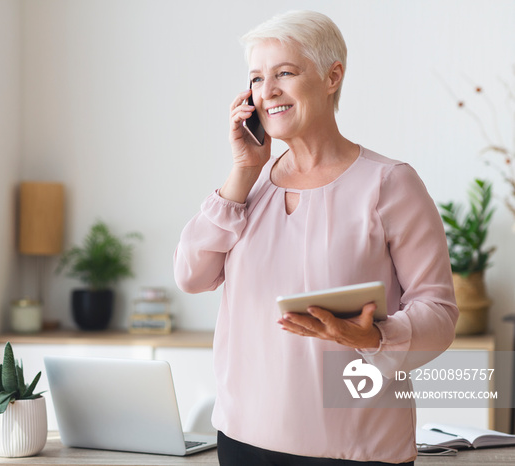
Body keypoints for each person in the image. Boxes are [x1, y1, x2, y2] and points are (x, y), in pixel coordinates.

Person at [173, 10, 458, 465]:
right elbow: (191, 275)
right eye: (257, 77)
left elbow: (440, 315)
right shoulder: (250, 186)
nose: (267, 91)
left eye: (285, 73)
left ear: (332, 76)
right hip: (242, 440)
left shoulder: (390, 183)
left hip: (355, 449)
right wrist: (243, 172)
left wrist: (376, 337)